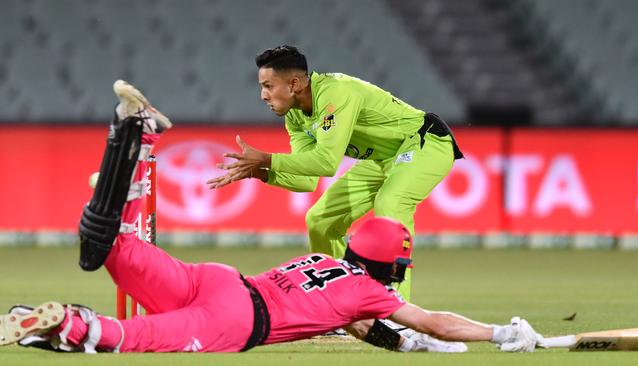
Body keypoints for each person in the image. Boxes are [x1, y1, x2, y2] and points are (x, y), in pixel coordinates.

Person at [0, 81, 543, 354]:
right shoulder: (372, 295)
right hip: (235, 319)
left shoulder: (320, 260)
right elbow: (431, 320)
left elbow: (361, 324)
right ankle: (68, 324)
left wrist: (404, 344)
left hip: (215, 278)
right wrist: (500, 332)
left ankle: (135, 145)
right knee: (130, 336)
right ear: (392, 263)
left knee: (115, 249)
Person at [207, 45, 464, 301]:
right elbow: (305, 179)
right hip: (382, 159)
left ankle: (395, 308)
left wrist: (268, 159)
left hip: (425, 142)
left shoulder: (335, 93)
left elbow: (327, 162)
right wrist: (260, 172)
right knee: (320, 221)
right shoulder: (295, 117)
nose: (263, 95)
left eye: (268, 86)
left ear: (294, 84)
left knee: (391, 202)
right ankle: (339, 304)